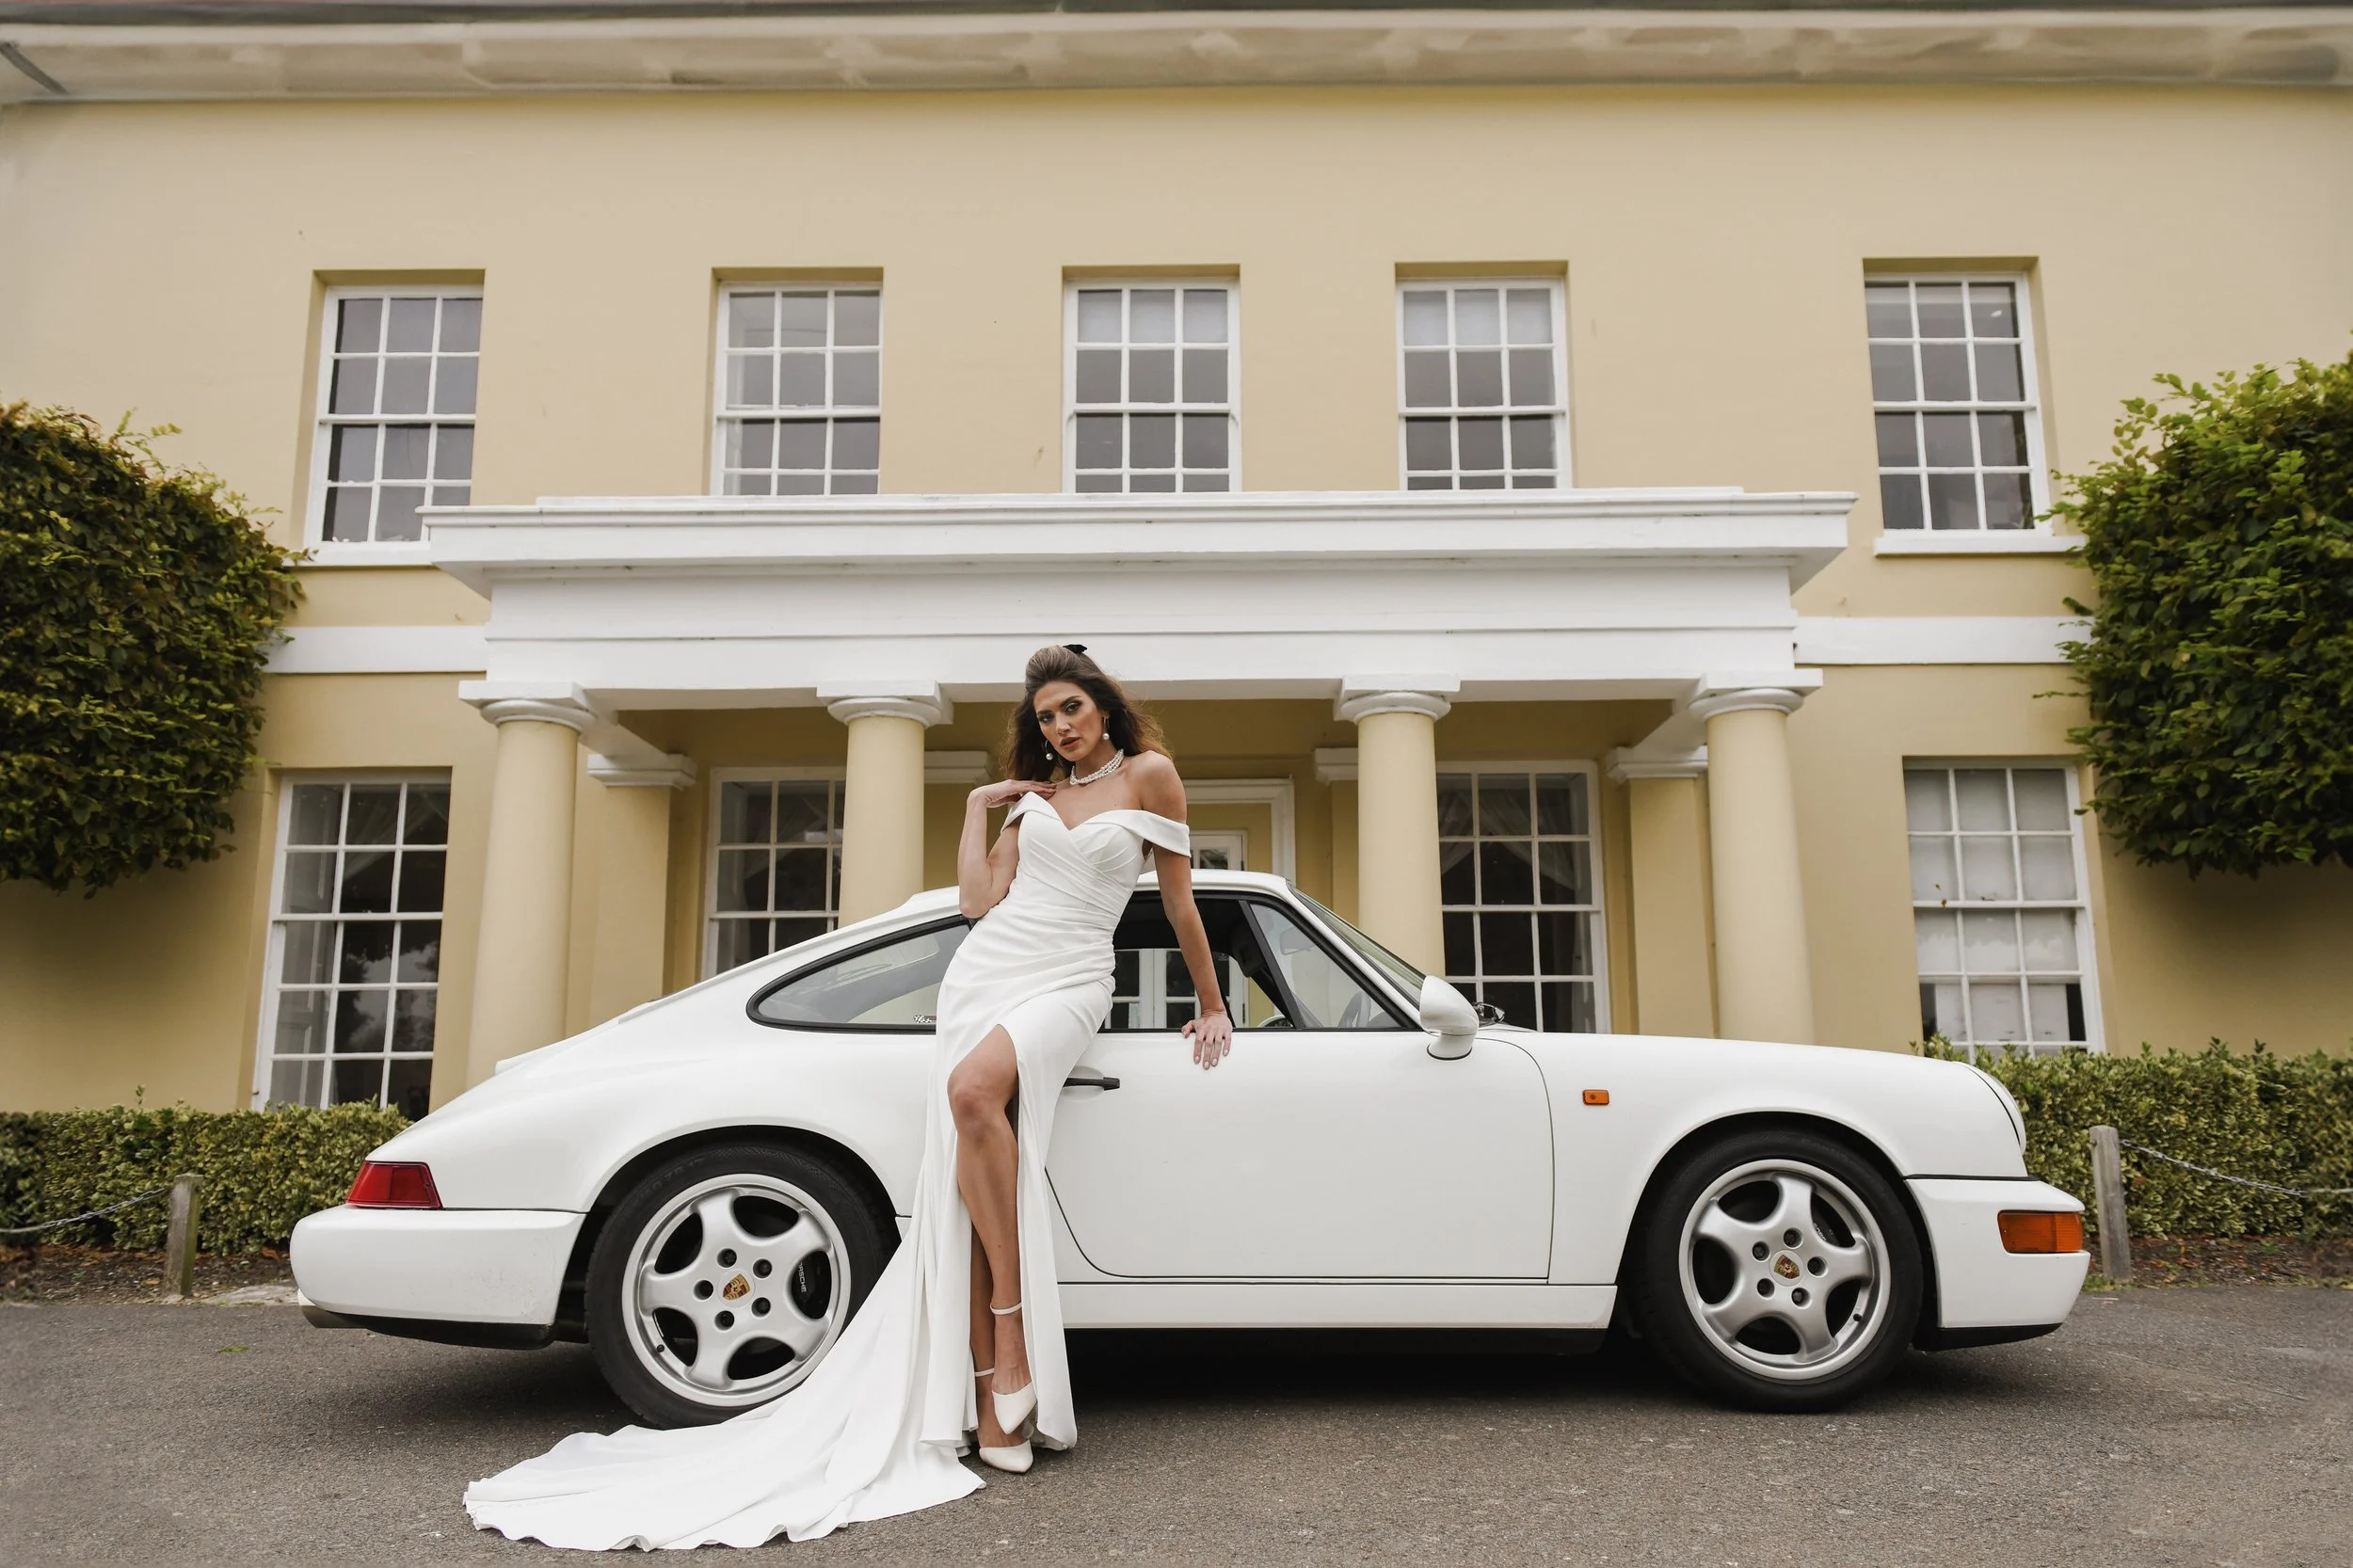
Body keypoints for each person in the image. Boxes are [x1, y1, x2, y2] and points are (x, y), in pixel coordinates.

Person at [465, 644, 1233, 1550]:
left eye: (1071, 708)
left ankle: (1005, 1349)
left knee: (972, 1097)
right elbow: (982, 905)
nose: (1060, 727)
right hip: (991, 971)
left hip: (1071, 976)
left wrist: (1212, 1005)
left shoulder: (1152, 776)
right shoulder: (1035, 802)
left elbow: (1180, 903)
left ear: (1102, 706)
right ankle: (1001, 1378)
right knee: (970, 1109)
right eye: (1045, 719)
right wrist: (981, 809)